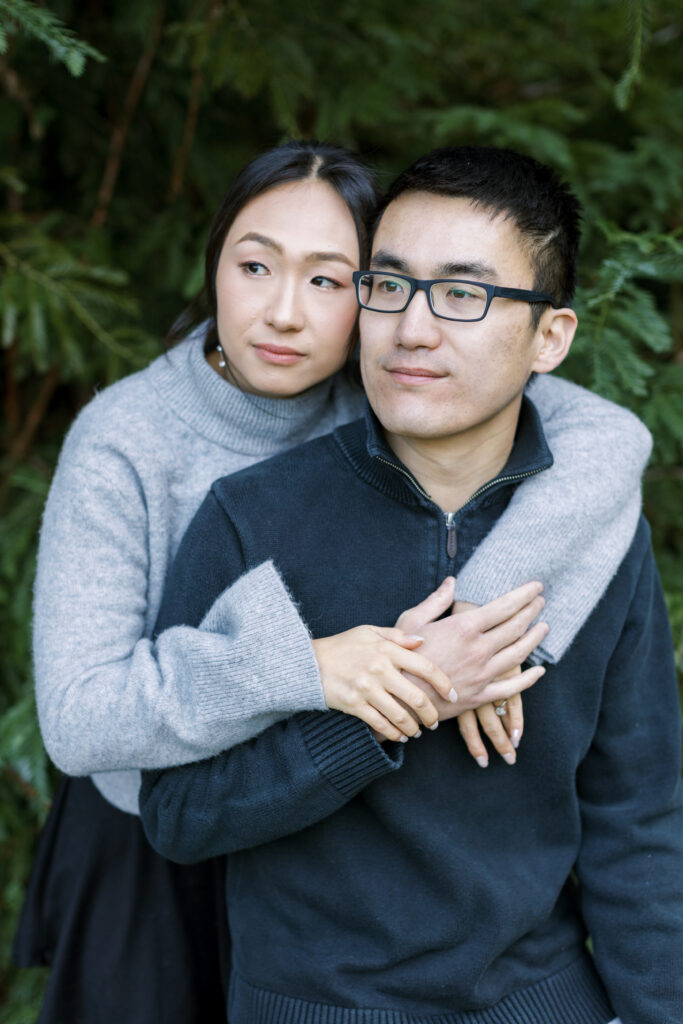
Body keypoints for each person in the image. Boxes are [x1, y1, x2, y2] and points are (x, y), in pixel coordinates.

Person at [15, 141, 648, 1024]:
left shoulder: (392, 388)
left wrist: (474, 631)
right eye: (254, 265)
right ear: (216, 267)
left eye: (327, 279)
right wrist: (313, 667)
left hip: (323, 859)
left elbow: (608, 443)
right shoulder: (127, 439)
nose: (282, 313)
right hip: (153, 837)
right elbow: (81, 716)